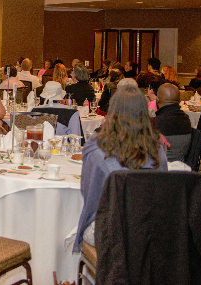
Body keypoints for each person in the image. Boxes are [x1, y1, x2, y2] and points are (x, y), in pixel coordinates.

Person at [74, 85, 168, 252]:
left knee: (72, 226)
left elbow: (90, 198)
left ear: (113, 110)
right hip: (151, 230)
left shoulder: (96, 148)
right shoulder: (157, 147)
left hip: (111, 233)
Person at [154, 83, 192, 162]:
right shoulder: (186, 119)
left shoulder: (156, 123)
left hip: (157, 169)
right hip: (181, 168)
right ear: (179, 100)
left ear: (157, 100)